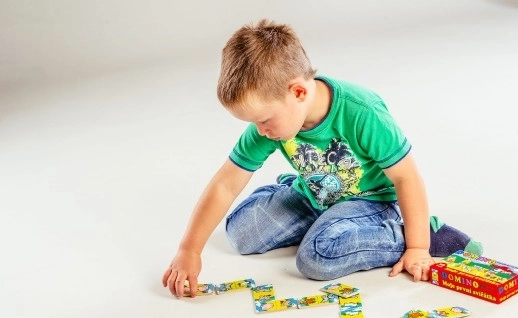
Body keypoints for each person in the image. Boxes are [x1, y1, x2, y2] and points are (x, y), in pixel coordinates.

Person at [162, 19, 482, 298]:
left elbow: (406, 178)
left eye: (264, 120)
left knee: (316, 257)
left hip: (371, 201)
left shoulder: (362, 112)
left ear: (298, 93)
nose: (259, 130)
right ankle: (319, 213)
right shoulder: (272, 123)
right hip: (315, 193)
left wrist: (417, 248)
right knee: (240, 233)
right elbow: (226, 185)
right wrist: (189, 250)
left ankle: (419, 232)